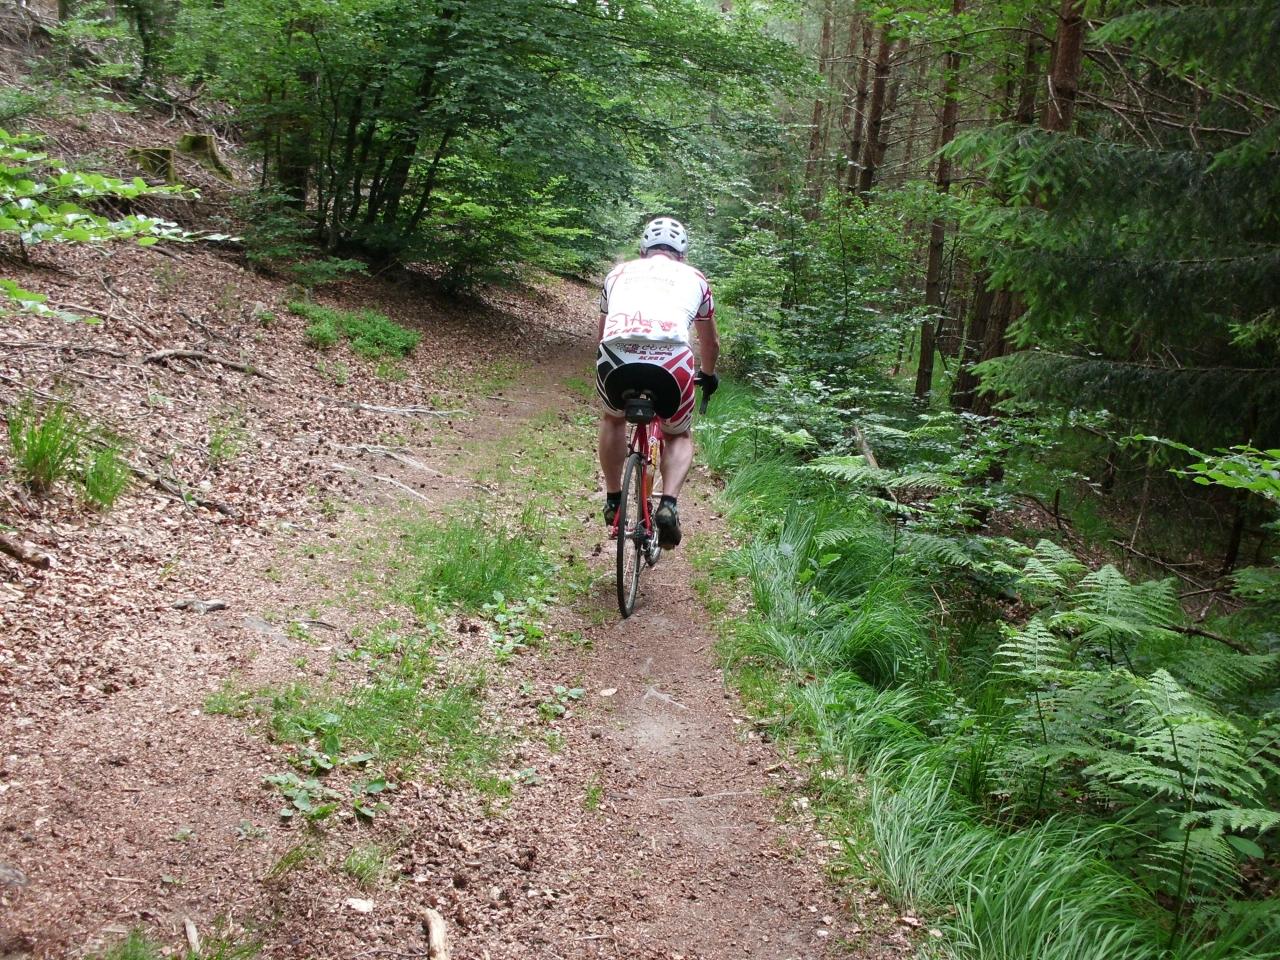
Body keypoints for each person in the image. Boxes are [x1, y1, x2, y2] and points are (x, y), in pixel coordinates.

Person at [595, 217, 720, 548]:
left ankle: (612, 499)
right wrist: (707, 375)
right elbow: (710, 345)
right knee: (677, 435)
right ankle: (668, 505)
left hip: (616, 358)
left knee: (613, 418)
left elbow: (602, 332)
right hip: (672, 363)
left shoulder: (617, 273)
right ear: (682, 254)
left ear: (643, 250)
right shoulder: (696, 278)